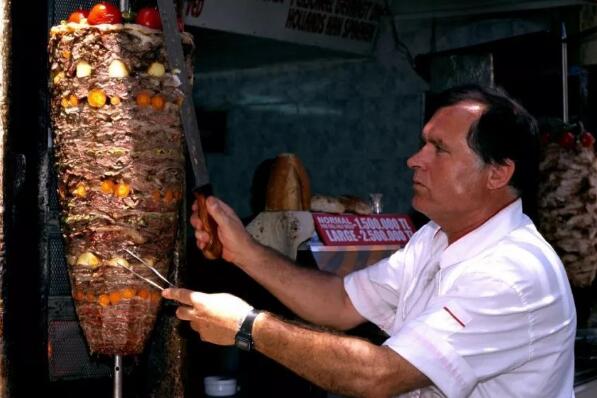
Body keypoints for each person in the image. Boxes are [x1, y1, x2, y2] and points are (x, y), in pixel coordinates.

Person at [163, 85, 576, 397]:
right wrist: (246, 252)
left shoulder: (511, 274)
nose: (414, 159)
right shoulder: (433, 239)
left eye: (438, 149)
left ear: (498, 173)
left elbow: (379, 374)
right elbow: (341, 303)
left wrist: (246, 327)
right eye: (422, 144)